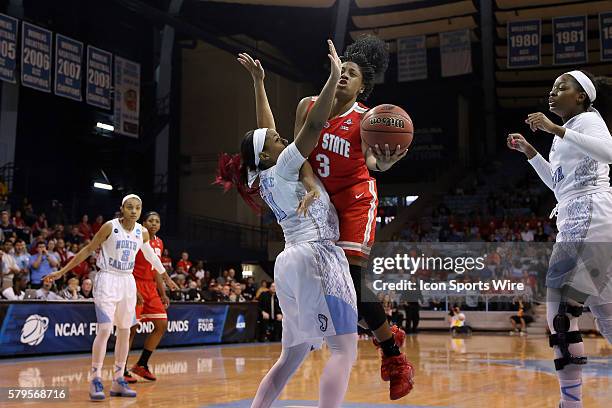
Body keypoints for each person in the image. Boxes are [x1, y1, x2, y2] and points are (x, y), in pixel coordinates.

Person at [239, 35, 413, 399]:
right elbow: (274, 136)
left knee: (349, 277)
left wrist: (385, 162)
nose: (346, 76)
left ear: (363, 86)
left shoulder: (368, 119)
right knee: (343, 299)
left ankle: (392, 355)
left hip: (353, 200)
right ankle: (384, 332)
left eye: (352, 73)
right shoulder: (308, 107)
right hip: (320, 208)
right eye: (342, 70)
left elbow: (371, 164)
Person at [218, 40, 359, 408]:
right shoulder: (284, 165)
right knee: (345, 349)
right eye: (281, 140)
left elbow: (265, 132)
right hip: (318, 256)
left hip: (289, 262)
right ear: (268, 153)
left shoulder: (263, 175)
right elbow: (314, 123)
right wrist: (331, 78)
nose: (285, 138)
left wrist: (259, 82)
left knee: (291, 356)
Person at [507, 70, 612, 408]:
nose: (552, 92)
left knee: (561, 314)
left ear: (581, 96)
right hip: (577, 215)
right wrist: (530, 152)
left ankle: (570, 403)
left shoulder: (588, 121)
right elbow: (559, 185)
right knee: (606, 314)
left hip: (590, 215)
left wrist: (556, 128)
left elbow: (610, 153)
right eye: (551, 87)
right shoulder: (563, 137)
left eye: (561, 87)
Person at [44, 194, 167, 401]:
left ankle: (119, 379)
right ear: (122, 208)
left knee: (125, 331)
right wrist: (61, 271)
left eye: (138, 208)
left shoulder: (141, 231)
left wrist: (165, 276)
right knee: (104, 329)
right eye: (130, 207)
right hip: (107, 280)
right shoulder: (110, 227)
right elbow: (88, 249)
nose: (134, 211)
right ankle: (95, 379)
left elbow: (151, 256)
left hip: (127, 281)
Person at [124, 211, 178, 383]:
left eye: (157, 221)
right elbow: (127, 264)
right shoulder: (134, 237)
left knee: (161, 324)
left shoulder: (159, 242)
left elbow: (156, 269)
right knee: (131, 328)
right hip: (133, 282)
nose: (154, 223)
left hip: (151, 287)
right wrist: (133, 289)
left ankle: (142, 365)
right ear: (143, 223)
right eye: (151, 221)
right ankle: (121, 370)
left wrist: (162, 293)